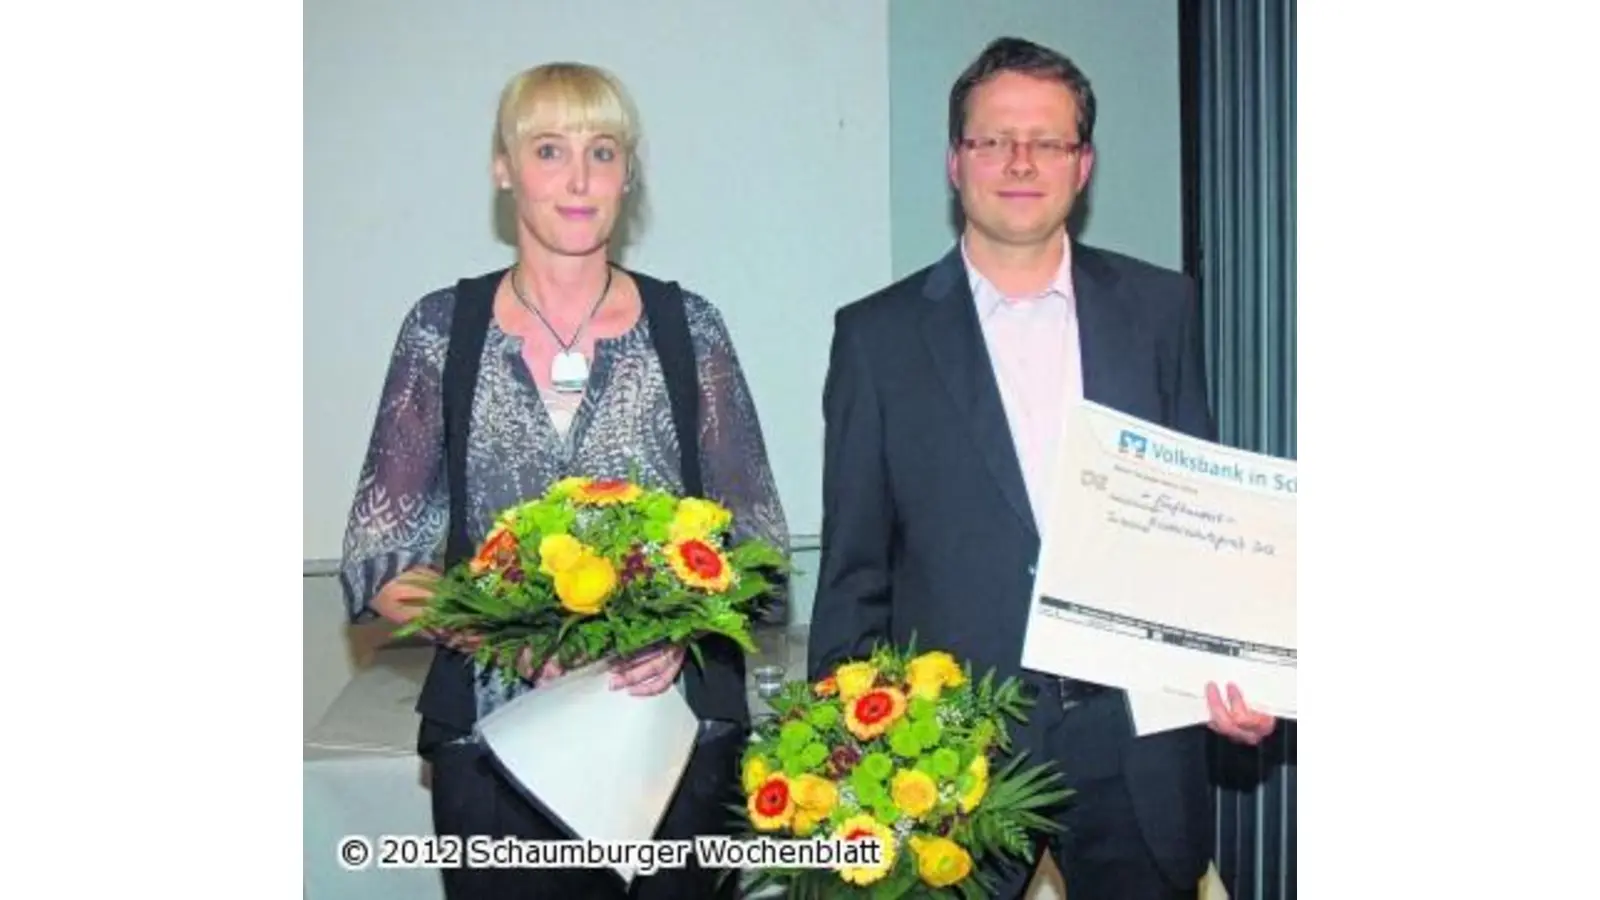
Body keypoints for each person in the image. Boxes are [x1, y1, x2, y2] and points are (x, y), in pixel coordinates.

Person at [807, 37, 1275, 900]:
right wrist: (848, 759)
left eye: (1048, 142)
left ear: (1083, 164)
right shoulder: (877, 338)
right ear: (956, 162)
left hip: (1138, 743)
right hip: (948, 756)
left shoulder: (1160, 309)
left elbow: (1197, 534)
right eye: (993, 140)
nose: (1020, 162)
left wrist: (1243, 670)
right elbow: (853, 575)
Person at [338, 62, 790, 900]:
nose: (579, 180)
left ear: (630, 172)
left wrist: (678, 632)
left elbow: (757, 546)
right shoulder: (442, 331)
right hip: (496, 749)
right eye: (550, 150)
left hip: (673, 740)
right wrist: (500, 636)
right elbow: (376, 560)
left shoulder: (691, 329)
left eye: (603, 151)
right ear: (503, 167)